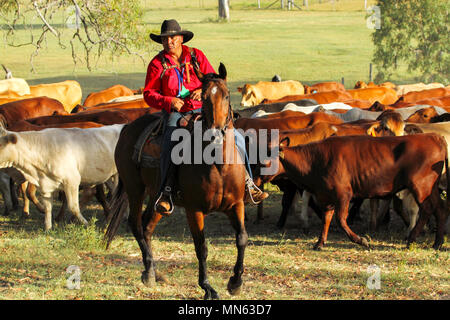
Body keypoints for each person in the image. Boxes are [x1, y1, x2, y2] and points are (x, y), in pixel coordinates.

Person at [143, 19, 268, 216]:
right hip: (177, 113)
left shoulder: (196, 55)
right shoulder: (157, 64)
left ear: (181, 38)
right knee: (170, 142)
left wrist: (199, 90)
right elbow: (148, 93)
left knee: (236, 138)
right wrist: (168, 101)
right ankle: (166, 192)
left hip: (204, 109)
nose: (169, 42)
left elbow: (214, 80)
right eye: (165, 39)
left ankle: (249, 184)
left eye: (173, 38)